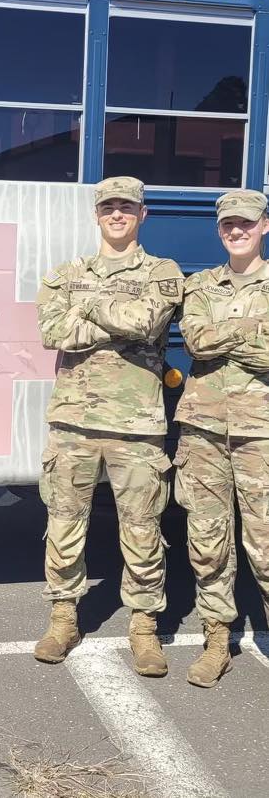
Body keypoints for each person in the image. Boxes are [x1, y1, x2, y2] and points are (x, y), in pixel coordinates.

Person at [35, 176, 184, 676]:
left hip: (137, 424)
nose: (117, 214)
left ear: (143, 214)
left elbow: (148, 321)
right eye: (108, 208)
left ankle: (144, 629)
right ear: (96, 215)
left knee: (142, 529)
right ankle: (63, 619)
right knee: (63, 524)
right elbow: (53, 332)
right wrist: (119, 310)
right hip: (72, 422)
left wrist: (92, 304)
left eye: (127, 207)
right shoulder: (63, 273)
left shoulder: (163, 271)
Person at [175, 189, 269, 688]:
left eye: (246, 224)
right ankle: (217, 638)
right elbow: (194, 341)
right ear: (219, 230)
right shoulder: (199, 286)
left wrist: (225, 335)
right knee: (208, 540)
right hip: (205, 430)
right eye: (229, 224)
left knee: (266, 541)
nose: (237, 231)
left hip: (262, 432)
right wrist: (252, 332)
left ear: (264, 226)